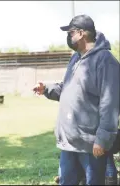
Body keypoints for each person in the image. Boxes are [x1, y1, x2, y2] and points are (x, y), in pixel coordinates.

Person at [33, 15, 120, 185]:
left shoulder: (106, 61)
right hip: (69, 143)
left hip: (91, 145)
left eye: (70, 33)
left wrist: (102, 140)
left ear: (81, 33)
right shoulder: (76, 58)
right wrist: (47, 89)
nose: (68, 37)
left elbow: (110, 105)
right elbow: (67, 89)